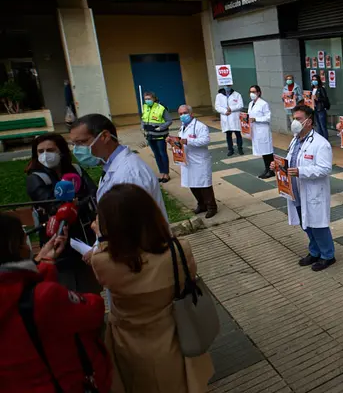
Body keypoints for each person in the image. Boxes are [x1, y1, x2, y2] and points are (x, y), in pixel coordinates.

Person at [89, 184, 213, 392]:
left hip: (128, 343)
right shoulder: (178, 250)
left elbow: (104, 268)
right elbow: (189, 276)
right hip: (174, 337)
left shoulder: (102, 262)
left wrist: (102, 239)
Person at [0, 213, 111, 393]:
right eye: (24, 237)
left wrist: (44, 263)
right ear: (18, 247)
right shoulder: (46, 299)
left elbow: (20, 291)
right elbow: (94, 309)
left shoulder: (19, 297)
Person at [25, 133, 100, 293]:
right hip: (58, 244)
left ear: (61, 151)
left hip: (86, 240)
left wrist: (77, 204)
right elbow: (55, 207)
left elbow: (95, 195)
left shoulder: (77, 171)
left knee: (91, 292)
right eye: (40, 151)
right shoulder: (36, 178)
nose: (45, 155)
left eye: (50, 150)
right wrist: (79, 203)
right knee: (68, 293)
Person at [270, 105, 335, 271]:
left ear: (309, 121)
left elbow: (325, 168)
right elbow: (291, 160)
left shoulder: (321, 144)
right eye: (294, 118)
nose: (294, 122)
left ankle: (328, 255)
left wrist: (301, 171)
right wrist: (278, 165)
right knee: (305, 223)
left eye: (298, 119)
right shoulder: (295, 140)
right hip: (296, 190)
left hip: (313, 191)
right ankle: (314, 252)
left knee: (318, 225)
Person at [69, 114, 168, 220]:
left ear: (105, 136)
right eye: (74, 144)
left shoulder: (128, 175)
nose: (77, 150)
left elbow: (135, 225)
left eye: (82, 142)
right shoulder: (111, 166)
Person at [174, 105, 217, 218]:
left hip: (199, 160)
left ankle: (211, 207)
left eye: (184, 113)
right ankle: (201, 204)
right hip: (187, 160)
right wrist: (172, 141)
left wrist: (188, 141)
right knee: (192, 183)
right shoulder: (182, 127)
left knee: (204, 185)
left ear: (191, 113)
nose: (182, 116)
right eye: (180, 114)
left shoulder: (200, 126)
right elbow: (180, 141)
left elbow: (205, 140)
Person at [140, 91, 173, 183]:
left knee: (162, 153)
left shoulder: (161, 108)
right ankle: (162, 173)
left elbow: (169, 121)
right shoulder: (145, 107)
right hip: (150, 135)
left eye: (149, 99)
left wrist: (160, 128)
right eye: (146, 99)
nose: (147, 101)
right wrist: (142, 127)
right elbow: (143, 119)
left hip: (160, 136)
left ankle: (166, 174)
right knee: (156, 154)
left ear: (154, 98)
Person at [247, 85, 275, 179]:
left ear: (258, 93)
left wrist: (256, 119)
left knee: (267, 151)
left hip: (263, 130)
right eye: (250, 92)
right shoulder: (251, 104)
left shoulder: (263, 103)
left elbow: (268, 117)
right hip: (255, 130)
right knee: (263, 151)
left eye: (254, 92)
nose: (252, 94)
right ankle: (266, 169)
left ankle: (271, 170)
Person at [215, 84, 244, 156]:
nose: (227, 87)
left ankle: (240, 148)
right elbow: (217, 106)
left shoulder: (237, 95)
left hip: (235, 117)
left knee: (238, 134)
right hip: (226, 117)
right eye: (226, 86)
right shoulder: (219, 96)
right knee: (228, 135)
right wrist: (225, 111)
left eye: (229, 85)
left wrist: (231, 108)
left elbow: (240, 105)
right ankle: (230, 149)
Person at [311, 73, 330, 139]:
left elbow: (325, 99)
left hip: (320, 109)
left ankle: (326, 139)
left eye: (315, 79)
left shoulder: (321, 89)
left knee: (323, 125)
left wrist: (317, 99)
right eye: (313, 79)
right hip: (314, 109)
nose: (314, 81)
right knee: (318, 125)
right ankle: (320, 139)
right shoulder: (312, 89)